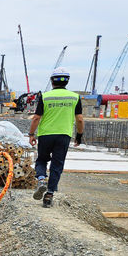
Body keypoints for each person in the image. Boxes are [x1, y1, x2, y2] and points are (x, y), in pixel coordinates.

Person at [28, 67, 84, 208]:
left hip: (46, 135)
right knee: (57, 165)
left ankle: (41, 180)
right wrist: (79, 135)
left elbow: (36, 118)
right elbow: (80, 119)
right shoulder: (75, 97)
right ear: (67, 81)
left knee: (41, 160)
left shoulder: (45, 97)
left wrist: (31, 134)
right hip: (63, 135)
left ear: (52, 81)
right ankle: (49, 195)